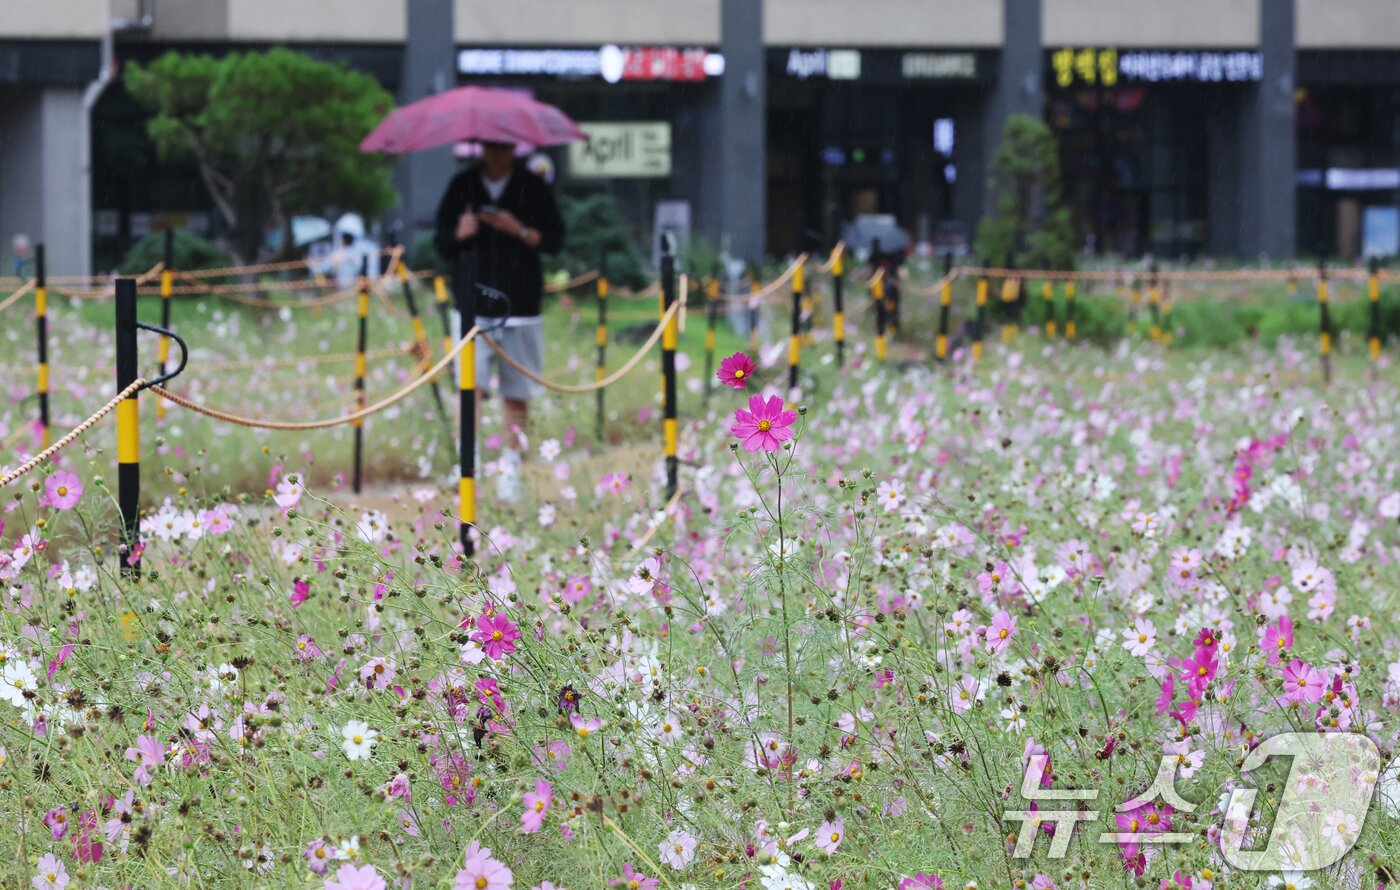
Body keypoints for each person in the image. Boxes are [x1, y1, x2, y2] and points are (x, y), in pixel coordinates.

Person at [434, 140, 565, 502]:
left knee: (516, 391)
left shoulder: (533, 187)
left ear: (513, 148)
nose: (496, 153)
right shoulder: (462, 186)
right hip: (472, 301)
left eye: (503, 146)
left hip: (521, 303)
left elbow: (554, 240)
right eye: (490, 146)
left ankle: (512, 467)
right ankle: (468, 461)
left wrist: (517, 229)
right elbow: (441, 243)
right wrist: (460, 233)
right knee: (469, 387)